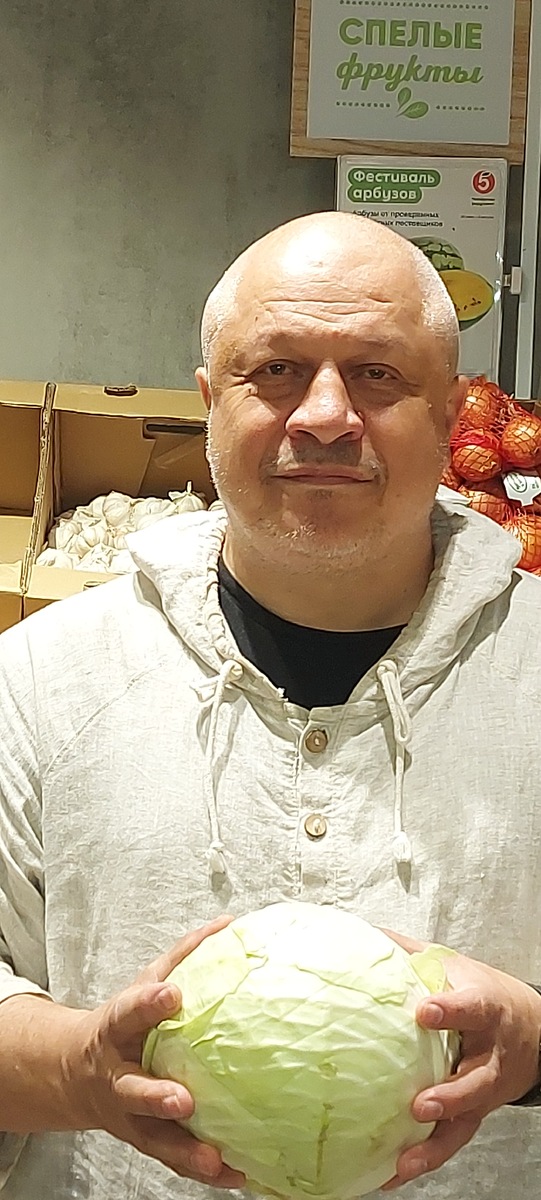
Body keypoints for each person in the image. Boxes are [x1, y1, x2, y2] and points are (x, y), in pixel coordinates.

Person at [0, 211, 539, 1200]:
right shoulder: (38, 680)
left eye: (377, 374)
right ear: (211, 402)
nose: (324, 415)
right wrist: (78, 1068)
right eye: (276, 371)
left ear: (449, 411)